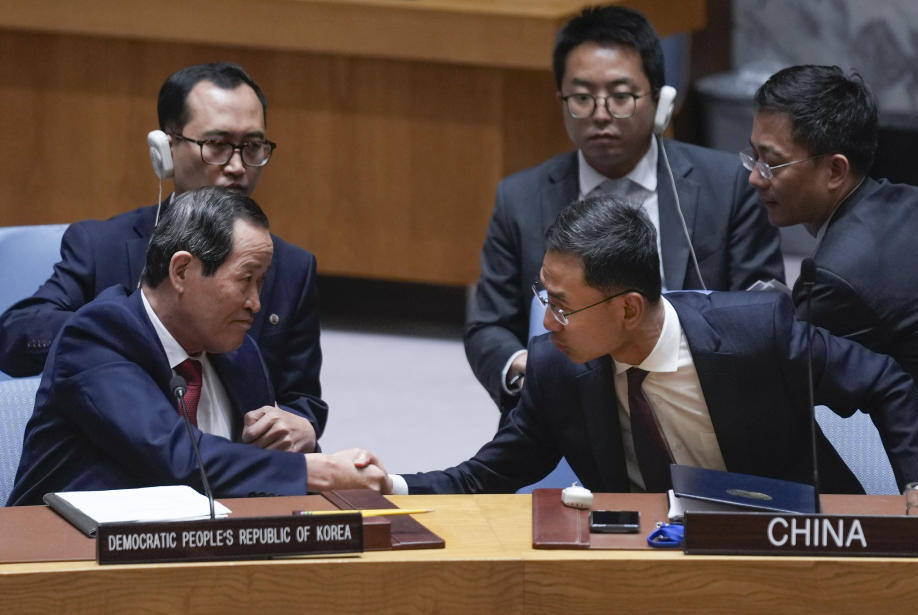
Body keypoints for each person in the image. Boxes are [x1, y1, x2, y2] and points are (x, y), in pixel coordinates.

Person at [392, 197, 918, 495]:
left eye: (562, 305)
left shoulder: (756, 332)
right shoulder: (555, 370)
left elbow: (883, 381)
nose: (548, 322)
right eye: (545, 296)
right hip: (647, 568)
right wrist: (384, 484)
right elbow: (483, 477)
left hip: (788, 546)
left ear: (628, 308)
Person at [464, 5, 785, 413]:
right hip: (567, 406)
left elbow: (764, 313)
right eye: (581, 98)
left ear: (659, 97)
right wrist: (521, 366)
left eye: (621, 97)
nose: (601, 115)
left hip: (697, 400)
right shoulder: (520, 197)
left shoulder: (728, 187)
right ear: (561, 99)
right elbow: (488, 325)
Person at [0, 62, 327, 443]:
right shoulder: (101, 246)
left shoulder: (291, 268)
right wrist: (128, 332)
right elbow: (16, 336)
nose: (237, 166)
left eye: (252, 147)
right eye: (217, 145)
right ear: (166, 148)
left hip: (239, 475)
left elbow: (302, 397)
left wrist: (301, 422)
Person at [8, 188, 388, 505]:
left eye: (262, 283)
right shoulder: (96, 337)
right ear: (182, 271)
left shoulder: (240, 353)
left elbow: (256, 476)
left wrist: (299, 442)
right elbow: (177, 458)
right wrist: (314, 472)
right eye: (246, 280)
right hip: (61, 563)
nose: (257, 302)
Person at [746, 65, 918, 490]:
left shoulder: (837, 273)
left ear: (834, 171)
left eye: (771, 164)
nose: (755, 177)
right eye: (753, 156)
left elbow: (796, 377)